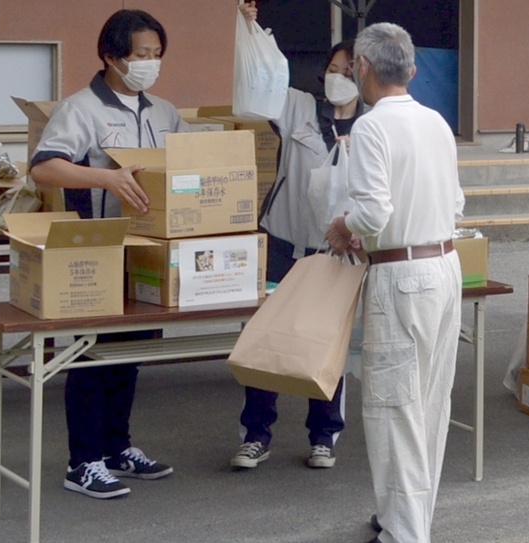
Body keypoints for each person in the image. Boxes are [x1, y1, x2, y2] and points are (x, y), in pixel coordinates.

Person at [30, 9, 189, 500]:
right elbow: (44, 168)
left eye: (156, 55)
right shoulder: (80, 109)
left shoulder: (164, 111)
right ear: (111, 56)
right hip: (94, 250)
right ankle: (83, 462)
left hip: (147, 254)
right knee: (89, 355)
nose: (150, 64)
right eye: (141, 55)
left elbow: (185, 167)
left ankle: (117, 447)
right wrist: (105, 176)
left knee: (128, 353)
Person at [325, 22, 465, 543]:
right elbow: (455, 204)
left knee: (393, 406)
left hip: (400, 273)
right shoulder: (435, 121)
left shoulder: (371, 127)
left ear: (362, 67)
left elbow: (372, 212)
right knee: (429, 402)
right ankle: (406, 520)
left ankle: (404, 534)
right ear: (410, 68)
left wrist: (343, 226)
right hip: (444, 265)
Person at [231, 1, 364, 471]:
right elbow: (261, 78)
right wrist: (250, 29)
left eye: (349, 70)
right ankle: (255, 434)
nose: (338, 76)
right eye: (333, 67)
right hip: (283, 243)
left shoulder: (373, 129)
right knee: (266, 334)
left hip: (336, 254)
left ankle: (323, 436)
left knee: (326, 342)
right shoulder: (299, 108)